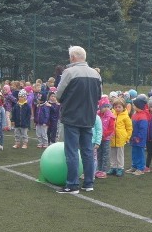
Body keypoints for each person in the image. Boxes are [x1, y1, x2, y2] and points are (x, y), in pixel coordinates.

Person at [55, 46, 102, 194]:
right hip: (89, 117)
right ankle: (88, 183)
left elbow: (58, 95)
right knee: (87, 150)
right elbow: (99, 96)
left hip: (71, 117)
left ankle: (72, 184)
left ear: (73, 57)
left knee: (72, 151)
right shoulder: (96, 74)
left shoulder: (68, 72)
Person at [108, 98, 132, 177]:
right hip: (112, 138)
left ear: (123, 107)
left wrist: (128, 137)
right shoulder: (112, 114)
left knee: (120, 154)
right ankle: (113, 167)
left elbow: (129, 128)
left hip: (121, 138)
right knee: (112, 153)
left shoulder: (125, 116)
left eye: (119, 107)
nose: (117, 109)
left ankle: (120, 168)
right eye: (116, 107)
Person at [129, 94, 150, 176]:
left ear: (138, 106)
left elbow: (143, 129)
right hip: (134, 138)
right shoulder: (135, 114)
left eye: (134, 105)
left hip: (139, 139)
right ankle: (134, 166)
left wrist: (139, 138)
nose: (133, 106)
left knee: (140, 153)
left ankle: (141, 168)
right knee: (134, 152)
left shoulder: (143, 116)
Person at [96, 98, 115, 178]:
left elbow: (111, 129)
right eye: (104, 106)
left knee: (105, 154)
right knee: (98, 154)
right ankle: (98, 169)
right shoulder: (97, 115)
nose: (106, 108)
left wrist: (103, 135)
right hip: (98, 138)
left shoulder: (111, 117)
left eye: (107, 106)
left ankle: (104, 171)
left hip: (106, 139)